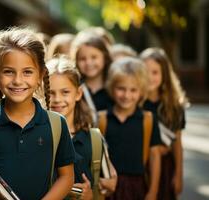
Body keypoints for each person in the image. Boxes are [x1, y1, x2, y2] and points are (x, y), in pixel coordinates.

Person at [0, 27, 75, 200]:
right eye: (8, 72)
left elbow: (67, 177)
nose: (17, 81)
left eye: (27, 72)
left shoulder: (56, 124)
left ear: (40, 75)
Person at [47, 56, 117, 200]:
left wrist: (90, 193)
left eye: (65, 92)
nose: (57, 99)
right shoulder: (35, 136)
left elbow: (107, 186)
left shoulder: (94, 139)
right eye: (50, 93)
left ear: (78, 94)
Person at [101, 57, 162, 200]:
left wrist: (153, 191)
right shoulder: (102, 119)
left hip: (138, 187)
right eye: (121, 89)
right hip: (108, 187)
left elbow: (155, 156)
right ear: (111, 87)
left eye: (133, 90)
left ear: (141, 91)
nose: (127, 95)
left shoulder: (148, 120)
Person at [140, 48, 188, 200]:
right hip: (140, 164)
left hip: (166, 167)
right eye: (145, 72)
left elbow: (177, 143)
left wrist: (179, 175)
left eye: (155, 72)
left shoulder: (173, 106)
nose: (149, 77)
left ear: (164, 75)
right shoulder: (135, 102)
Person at [70, 32, 114, 112]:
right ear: (75, 61)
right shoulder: (74, 88)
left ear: (105, 57)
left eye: (94, 57)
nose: (88, 63)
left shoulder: (114, 86)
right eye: (82, 59)